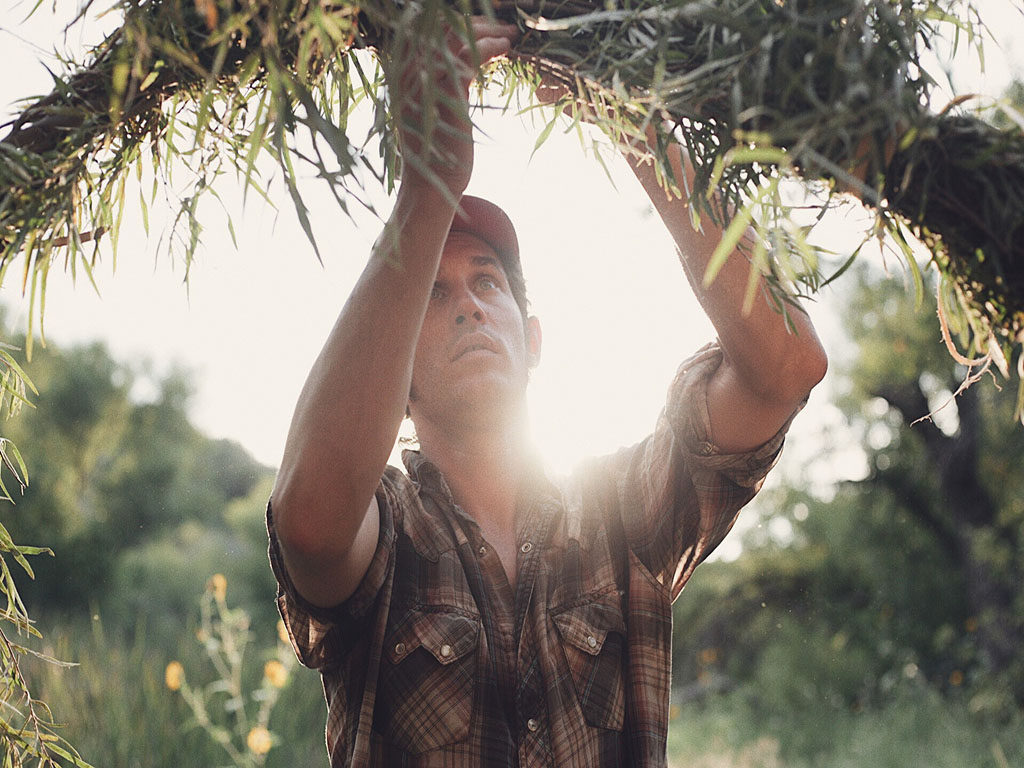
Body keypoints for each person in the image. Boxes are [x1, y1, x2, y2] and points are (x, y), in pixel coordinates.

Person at [268, 16, 828, 768]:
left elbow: (785, 368)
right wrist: (428, 186)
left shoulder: (621, 515)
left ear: (533, 341)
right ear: (392, 380)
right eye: (432, 295)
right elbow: (309, 523)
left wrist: (645, 135)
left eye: (487, 283)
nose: (466, 303)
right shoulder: (390, 534)